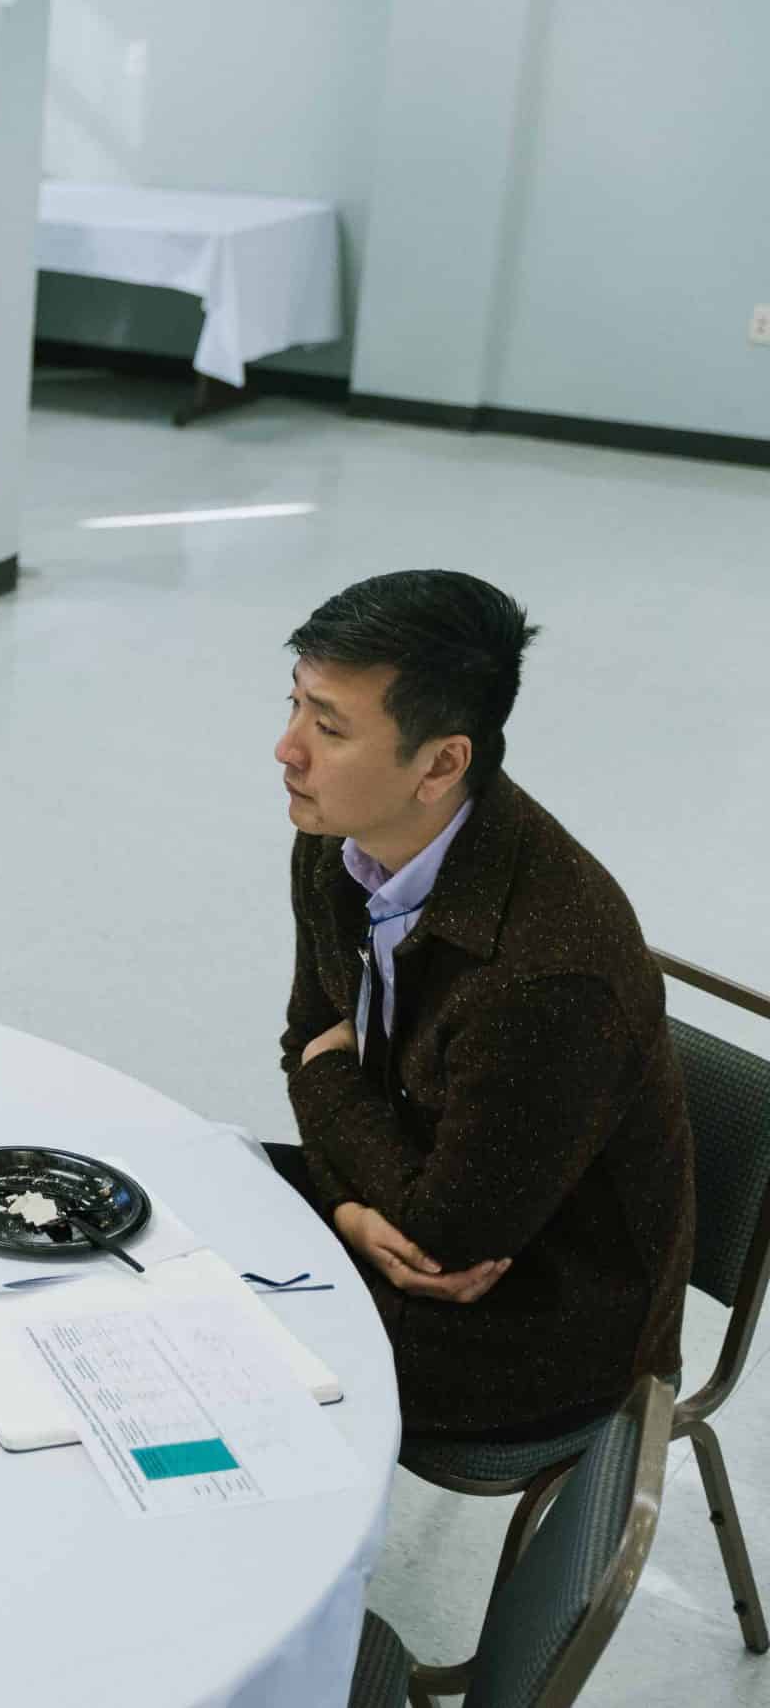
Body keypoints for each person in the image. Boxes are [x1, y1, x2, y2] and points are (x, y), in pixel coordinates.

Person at [269, 571, 694, 1440]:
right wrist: (349, 1211)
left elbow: (447, 1241)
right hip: (405, 1197)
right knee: (178, 1200)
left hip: (539, 1321)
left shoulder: (548, 976)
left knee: (231, 1352)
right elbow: (303, 1042)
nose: (288, 749)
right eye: (296, 705)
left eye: (329, 725)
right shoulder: (339, 843)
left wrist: (328, 1078)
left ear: (440, 763)